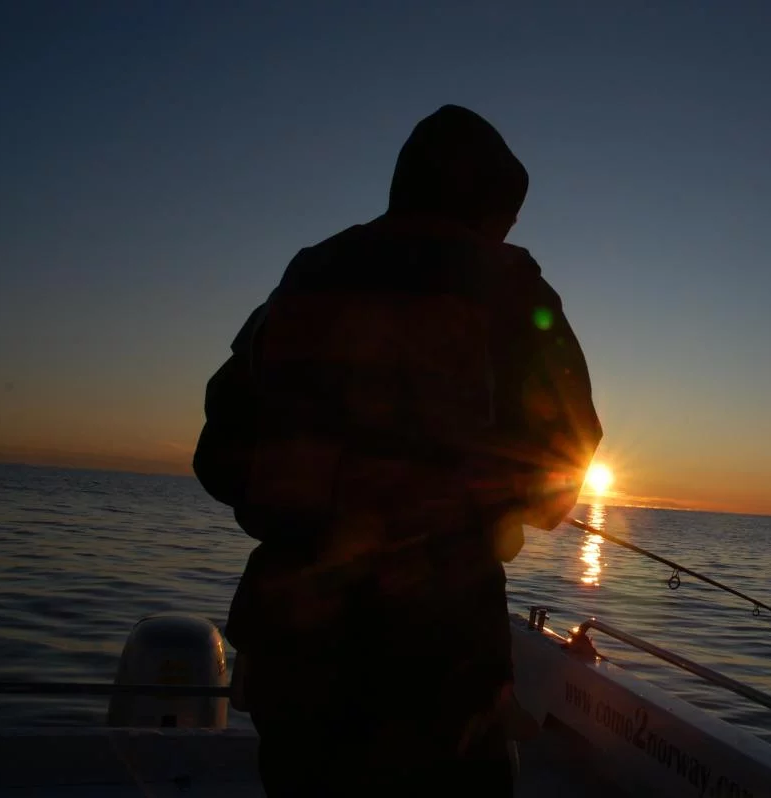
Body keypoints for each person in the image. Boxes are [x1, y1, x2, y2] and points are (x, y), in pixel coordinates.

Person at [191, 104, 602, 795]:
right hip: (441, 661)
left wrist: (326, 500)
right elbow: (559, 481)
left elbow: (219, 455)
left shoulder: (307, 279)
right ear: (490, 208)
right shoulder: (512, 289)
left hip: (294, 648)